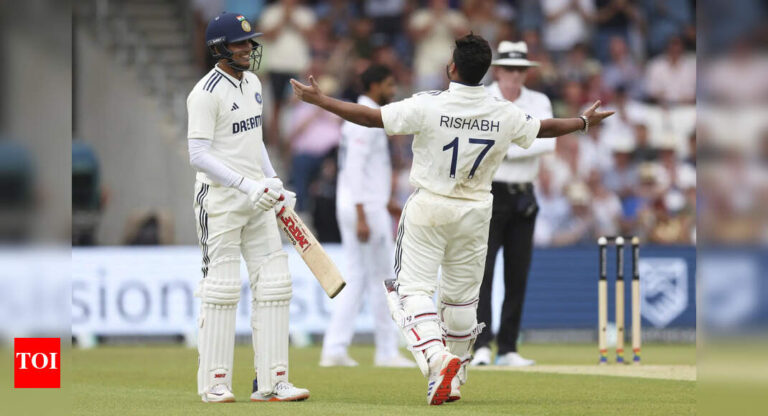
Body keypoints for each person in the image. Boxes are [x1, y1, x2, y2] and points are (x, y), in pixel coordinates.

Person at [289, 34, 613, 405]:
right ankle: (453, 378)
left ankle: (436, 357)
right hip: (476, 212)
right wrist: (582, 122)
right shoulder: (503, 111)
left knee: (411, 291)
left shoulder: (430, 103)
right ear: (486, 71)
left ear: (452, 67)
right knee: (460, 303)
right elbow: (543, 128)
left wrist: (322, 101)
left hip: (430, 206)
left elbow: (372, 118)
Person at [186, 12, 309, 403]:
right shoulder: (205, 93)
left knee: (275, 285)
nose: (248, 48)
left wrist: (273, 181)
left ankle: (273, 382)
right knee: (221, 289)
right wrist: (246, 184)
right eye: (239, 43)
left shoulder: (254, 83)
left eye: (249, 42)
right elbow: (197, 154)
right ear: (219, 48)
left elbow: (255, 141)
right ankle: (215, 383)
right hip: (220, 200)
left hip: (258, 196)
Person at [320, 64, 415, 369]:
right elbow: (355, 169)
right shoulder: (364, 119)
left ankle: (335, 348)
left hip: (362, 204)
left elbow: (366, 169)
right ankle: (386, 351)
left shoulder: (363, 116)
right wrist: (364, 213)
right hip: (363, 208)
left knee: (358, 277)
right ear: (374, 86)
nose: (393, 90)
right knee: (383, 279)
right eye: (389, 84)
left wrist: (386, 202)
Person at [471, 41, 554, 367]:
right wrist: (522, 142)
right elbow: (478, 143)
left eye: (520, 69)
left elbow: (547, 143)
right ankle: (481, 345)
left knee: (517, 274)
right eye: (509, 69)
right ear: (498, 71)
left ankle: (507, 348)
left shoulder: (539, 100)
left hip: (523, 194)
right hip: (488, 192)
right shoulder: (483, 97)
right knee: (483, 272)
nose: (515, 75)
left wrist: (504, 146)